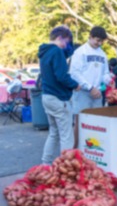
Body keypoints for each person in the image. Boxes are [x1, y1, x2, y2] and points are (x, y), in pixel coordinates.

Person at [38, 26, 80, 165]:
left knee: (53, 133)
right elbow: (61, 76)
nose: (66, 46)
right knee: (66, 136)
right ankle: (66, 168)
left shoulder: (45, 52)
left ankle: (45, 164)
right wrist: (75, 85)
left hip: (47, 97)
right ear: (59, 38)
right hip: (59, 98)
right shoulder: (57, 52)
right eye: (66, 42)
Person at [69, 26, 112, 148]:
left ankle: (92, 150)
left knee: (95, 123)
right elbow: (75, 73)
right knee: (79, 121)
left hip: (97, 93)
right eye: (97, 40)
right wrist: (89, 87)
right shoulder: (80, 52)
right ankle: (75, 149)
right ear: (90, 37)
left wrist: (109, 80)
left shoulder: (103, 54)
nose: (99, 43)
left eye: (101, 41)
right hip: (83, 92)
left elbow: (105, 73)